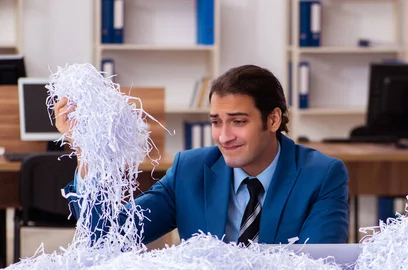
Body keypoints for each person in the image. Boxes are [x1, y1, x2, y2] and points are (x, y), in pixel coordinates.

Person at [56, 64, 349, 245]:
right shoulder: (190, 170)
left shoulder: (321, 175)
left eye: (238, 121)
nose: (224, 136)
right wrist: (87, 151)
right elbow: (108, 238)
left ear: (273, 120)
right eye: (216, 122)